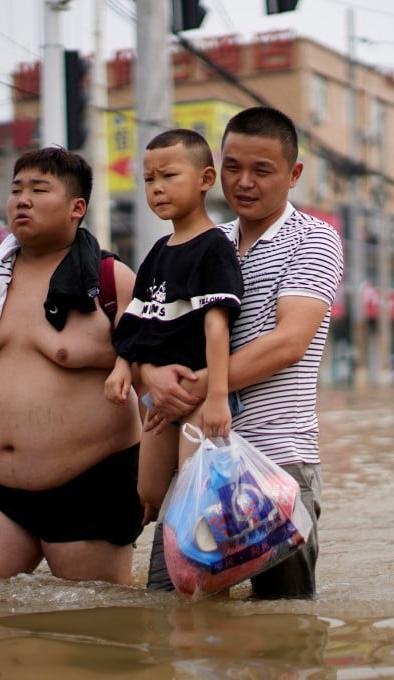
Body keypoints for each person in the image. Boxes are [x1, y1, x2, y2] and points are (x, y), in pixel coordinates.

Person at [0, 147, 145, 585]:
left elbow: (151, 379)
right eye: (16, 189)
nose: (22, 200)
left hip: (91, 488)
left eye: (39, 190)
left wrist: (160, 478)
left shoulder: (112, 280)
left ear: (77, 208)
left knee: (98, 632)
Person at [139, 106, 344, 598]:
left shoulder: (314, 239)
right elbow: (156, 330)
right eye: (232, 167)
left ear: (294, 174)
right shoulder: (203, 241)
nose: (244, 182)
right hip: (196, 464)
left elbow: (288, 343)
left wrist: (195, 385)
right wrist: (150, 375)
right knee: (171, 613)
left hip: (278, 463)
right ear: (214, 169)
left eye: (262, 170)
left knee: (285, 628)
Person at [104, 128, 243, 526]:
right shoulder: (157, 253)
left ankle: (203, 572)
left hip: (201, 395)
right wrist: (121, 367)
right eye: (149, 180)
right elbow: (134, 319)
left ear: (205, 179)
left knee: (194, 492)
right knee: (147, 492)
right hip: (160, 400)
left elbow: (217, 328)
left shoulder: (215, 247)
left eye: (169, 176)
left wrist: (217, 396)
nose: (157, 189)